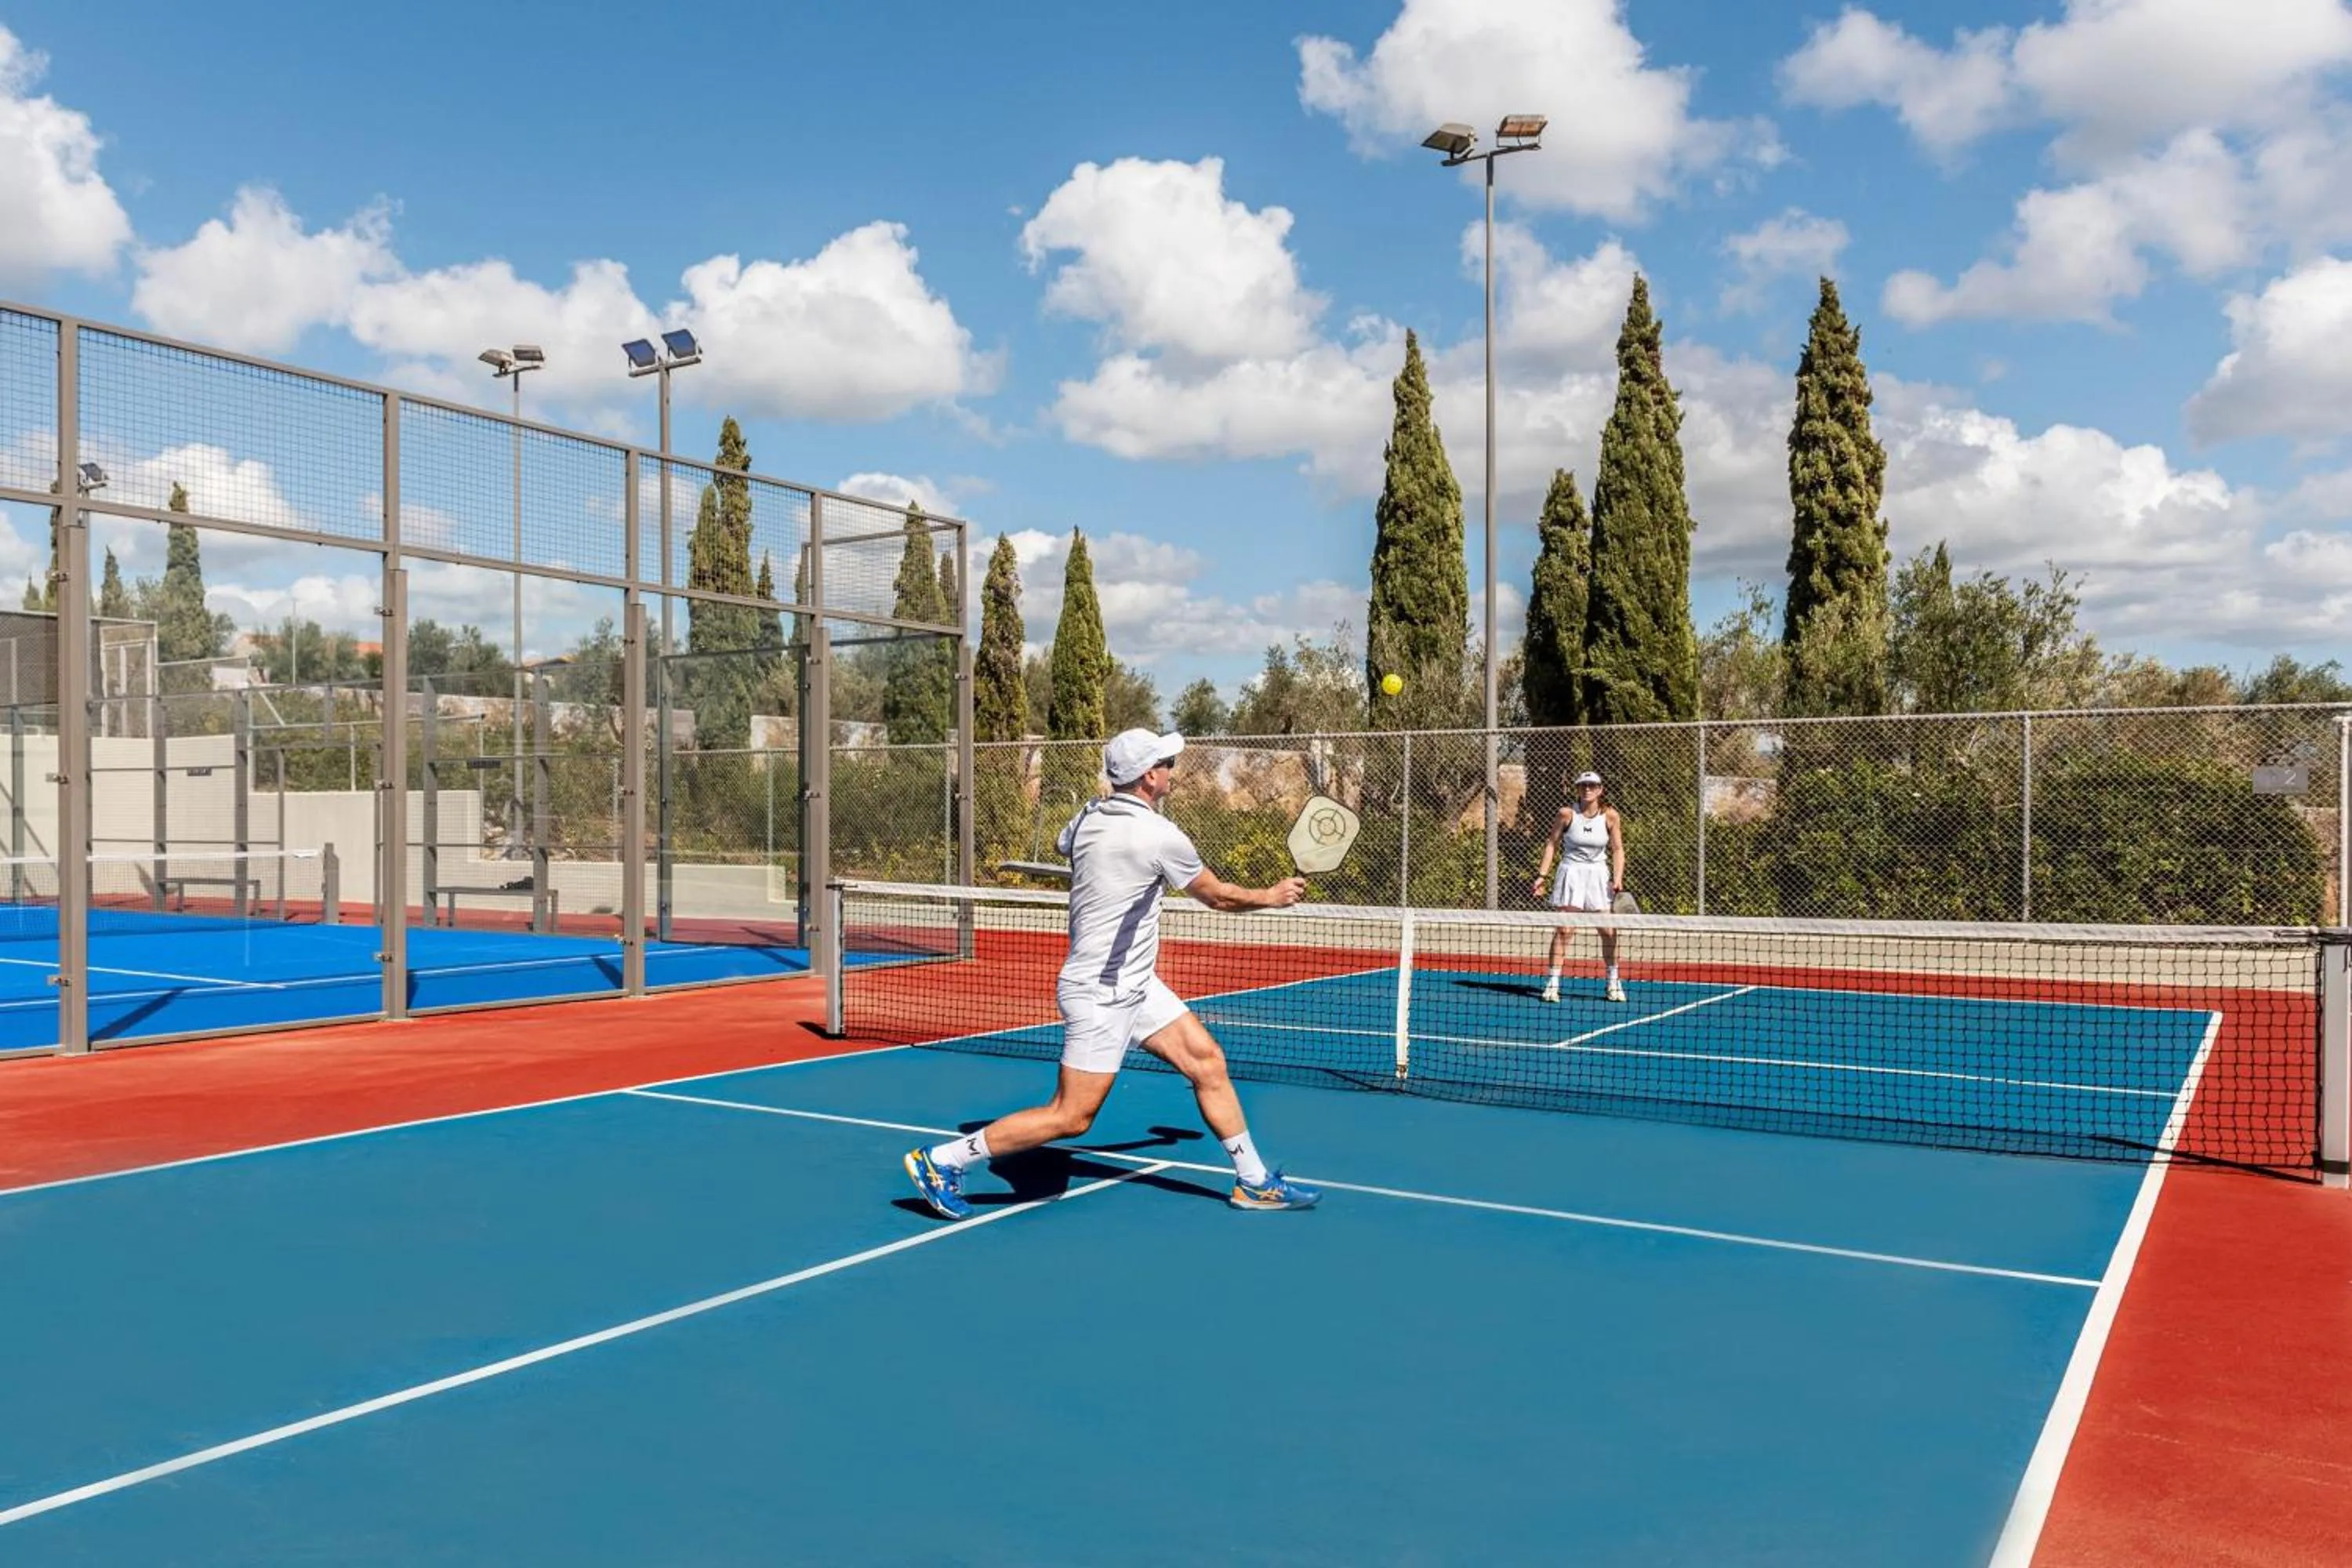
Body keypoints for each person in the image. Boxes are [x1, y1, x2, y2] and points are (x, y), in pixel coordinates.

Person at [903, 728, 1323, 1219]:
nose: (1172, 771)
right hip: (1101, 993)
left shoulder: (1086, 818)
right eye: (1167, 764)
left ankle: (1253, 1181)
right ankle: (941, 1160)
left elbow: (1064, 843)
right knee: (1072, 1117)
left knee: (1207, 1061)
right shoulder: (1160, 836)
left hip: (1135, 983)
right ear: (1149, 777)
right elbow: (1219, 897)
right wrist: (1271, 897)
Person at [1530, 769, 1626, 1004]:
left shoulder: (1611, 816)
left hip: (1598, 876)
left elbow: (1617, 849)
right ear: (1578, 789)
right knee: (1565, 930)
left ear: (1600, 790)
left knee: (1608, 931)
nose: (1587, 789)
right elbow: (1551, 843)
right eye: (1583, 785)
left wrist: (1618, 877)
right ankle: (1552, 984)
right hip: (1571, 873)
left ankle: (1613, 983)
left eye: (1592, 785)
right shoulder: (1566, 814)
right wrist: (1542, 875)